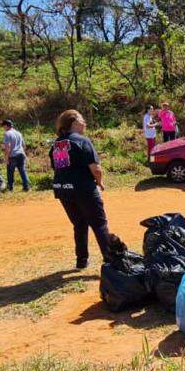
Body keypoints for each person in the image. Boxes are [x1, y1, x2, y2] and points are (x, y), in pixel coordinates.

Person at [49, 109, 117, 269]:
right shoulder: (82, 141)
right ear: (73, 122)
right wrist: (99, 182)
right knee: (99, 224)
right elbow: (96, 169)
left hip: (63, 189)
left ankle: (81, 261)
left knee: (79, 224)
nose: (84, 122)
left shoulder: (58, 144)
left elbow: (61, 168)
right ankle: (111, 262)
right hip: (83, 188)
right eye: (82, 119)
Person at [2, 119, 30, 192]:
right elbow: (24, 145)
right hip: (20, 154)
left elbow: (7, 147)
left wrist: (6, 158)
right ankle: (26, 187)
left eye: (3, 126)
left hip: (12, 155)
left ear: (6, 126)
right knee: (22, 171)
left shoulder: (7, 134)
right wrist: (22, 152)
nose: (3, 128)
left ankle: (10, 188)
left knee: (10, 172)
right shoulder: (18, 133)